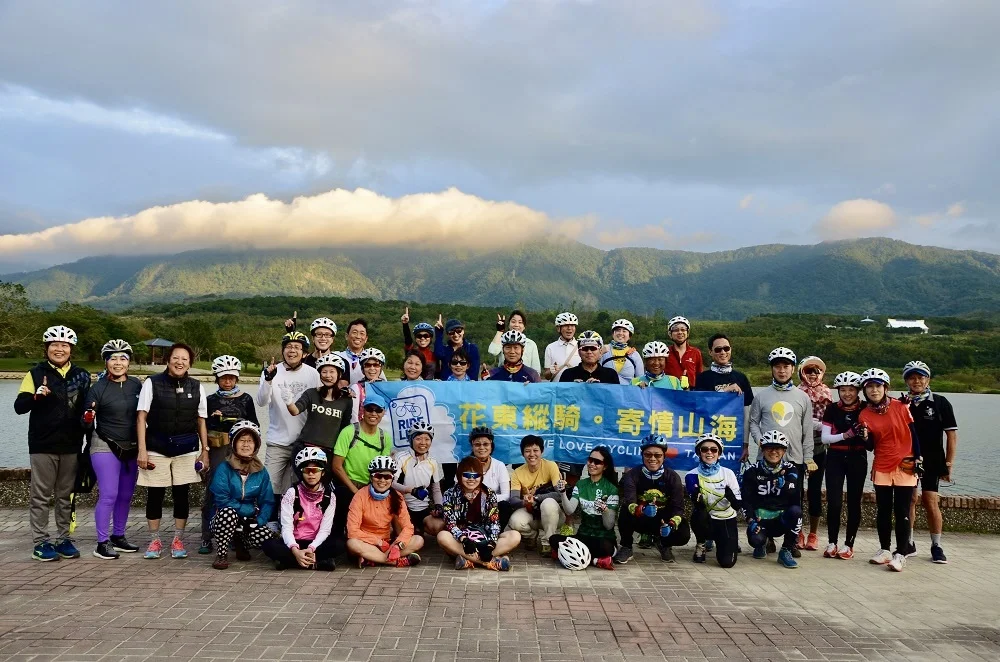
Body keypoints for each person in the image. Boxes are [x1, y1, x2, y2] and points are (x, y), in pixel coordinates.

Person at [14, 325, 90, 562]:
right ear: (47, 348)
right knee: (40, 495)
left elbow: (87, 408)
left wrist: (88, 419)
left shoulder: (82, 375)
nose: (59, 349)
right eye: (54, 345)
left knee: (65, 495)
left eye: (64, 345)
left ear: (71, 349)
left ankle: (63, 539)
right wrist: (36, 396)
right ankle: (41, 542)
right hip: (42, 444)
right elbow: (19, 407)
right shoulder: (35, 373)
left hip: (71, 444)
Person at [136, 342, 210, 560]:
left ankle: (178, 538)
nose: (180, 362)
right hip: (156, 447)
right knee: (155, 495)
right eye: (176, 358)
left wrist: (204, 451)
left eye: (185, 359)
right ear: (167, 360)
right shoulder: (152, 383)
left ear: (190, 364)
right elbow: (141, 417)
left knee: (181, 496)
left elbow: (201, 421)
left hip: (186, 448)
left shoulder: (197, 386)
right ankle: (155, 540)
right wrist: (142, 450)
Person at [746, 347, 813, 557]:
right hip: (766, 459)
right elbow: (753, 422)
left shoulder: (803, 397)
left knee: (793, 502)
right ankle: (766, 538)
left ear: (793, 369)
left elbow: (807, 430)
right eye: (777, 366)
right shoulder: (761, 396)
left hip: (794, 459)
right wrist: (761, 442)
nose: (782, 371)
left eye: (786, 366)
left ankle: (790, 542)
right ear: (772, 369)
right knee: (763, 498)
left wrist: (808, 457)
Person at [83, 339, 142, 560]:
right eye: (113, 359)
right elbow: (85, 421)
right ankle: (102, 542)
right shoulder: (97, 388)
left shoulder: (137, 385)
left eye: (123, 358)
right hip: (105, 443)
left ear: (129, 362)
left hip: (132, 447)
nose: (118, 363)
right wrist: (88, 417)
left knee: (126, 495)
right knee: (109, 494)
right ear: (106, 362)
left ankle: (118, 536)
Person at [859, 368, 921, 572]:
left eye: (878, 386)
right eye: (869, 387)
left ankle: (901, 553)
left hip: (905, 464)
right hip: (882, 465)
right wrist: (865, 437)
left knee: (902, 510)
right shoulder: (864, 414)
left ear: (885, 388)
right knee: (883, 511)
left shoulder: (901, 406)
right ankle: (885, 550)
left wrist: (918, 458)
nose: (874, 390)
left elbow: (914, 433)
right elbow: (870, 447)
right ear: (864, 390)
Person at [257, 332, 322, 516]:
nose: (292, 350)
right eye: (288, 347)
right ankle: (268, 522)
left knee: (299, 486)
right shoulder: (271, 371)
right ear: (283, 350)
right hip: (277, 440)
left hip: (303, 442)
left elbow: (321, 401)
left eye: (297, 347)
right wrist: (268, 380)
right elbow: (261, 401)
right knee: (270, 485)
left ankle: (296, 523)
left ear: (304, 353)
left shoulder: (312, 374)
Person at [200, 354, 259, 554]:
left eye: (231, 377)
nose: (227, 381)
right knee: (213, 489)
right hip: (217, 448)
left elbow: (255, 426)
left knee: (239, 491)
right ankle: (207, 537)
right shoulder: (210, 400)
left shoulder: (246, 398)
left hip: (239, 450)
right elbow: (201, 426)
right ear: (217, 378)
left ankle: (235, 535)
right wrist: (214, 420)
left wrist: (237, 423)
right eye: (224, 377)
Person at [902, 360, 957, 564]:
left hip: (933, 459)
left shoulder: (940, 402)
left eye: (921, 377)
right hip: (907, 458)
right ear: (906, 380)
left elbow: (951, 435)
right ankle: (909, 542)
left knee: (930, 500)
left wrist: (948, 464)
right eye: (912, 377)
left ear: (928, 379)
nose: (916, 381)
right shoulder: (902, 402)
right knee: (910, 500)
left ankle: (937, 545)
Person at [263, 447, 345, 570]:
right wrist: (295, 550)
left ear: (322, 472)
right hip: (294, 541)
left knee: (340, 544)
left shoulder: (329, 496)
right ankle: (315, 563)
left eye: (315, 470)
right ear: (301, 472)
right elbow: (286, 528)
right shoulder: (291, 493)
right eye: (307, 470)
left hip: (316, 543)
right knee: (269, 545)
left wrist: (311, 548)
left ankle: (290, 562)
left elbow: (325, 530)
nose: (311, 474)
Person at [207, 420, 275, 569]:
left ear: (256, 445)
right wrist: (247, 510)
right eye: (242, 440)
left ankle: (241, 544)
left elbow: (268, 501)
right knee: (228, 514)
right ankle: (222, 553)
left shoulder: (261, 472)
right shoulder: (224, 468)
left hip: (248, 521)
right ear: (234, 443)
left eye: (250, 441)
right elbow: (222, 500)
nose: (246, 445)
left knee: (267, 536)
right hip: (224, 517)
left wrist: (260, 519)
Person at [614, 434, 690, 564]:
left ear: (664, 457)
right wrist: (642, 509)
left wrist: (671, 525)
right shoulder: (632, 475)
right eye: (648, 455)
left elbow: (679, 509)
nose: (652, 458)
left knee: (683, 533)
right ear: (642, 455)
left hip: (662, 521)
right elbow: (630, 502)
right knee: (625, 510)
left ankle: (664, 543)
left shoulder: (673, 477)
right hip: (641, 518)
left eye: (657, 455)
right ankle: (626, 546)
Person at [437, 456, 521, 571]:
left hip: (484, 539)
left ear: (481, 477)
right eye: (467, 475)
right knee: (442, 536)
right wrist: (463, 539)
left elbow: (494, 522)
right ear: (459, 475)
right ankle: (490, 562)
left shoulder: (489, 493)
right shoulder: (449, 493)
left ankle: (468, 560)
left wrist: (491, 544)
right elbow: (449, 521)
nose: (471, 479)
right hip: (461, 541)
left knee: (515, 536)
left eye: (476, 475)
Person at [820, 371, 867, 560]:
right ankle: (832, 542)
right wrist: (845, 435)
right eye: (843, 390)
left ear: (858, 391)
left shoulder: (865, 408)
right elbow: (825, 438)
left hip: (857, 457)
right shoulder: (831, 409)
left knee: (854, 502)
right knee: (835, 501)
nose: (847, 394)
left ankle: (849, 544)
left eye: (852, 390)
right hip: (835, 457)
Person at [549, 446, 620, 570]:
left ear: (605, 466)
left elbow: (609, 525)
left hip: (603, 539)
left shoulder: (611, 488)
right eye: (590, 460)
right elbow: (570, 510)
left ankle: (571, 556)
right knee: (554, 539)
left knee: (606, 548)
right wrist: (563, 493)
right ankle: (595, 560)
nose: (592, 464)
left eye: (597, 462)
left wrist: (605, 510)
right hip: (583, 536)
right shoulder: (581, 484)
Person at [331, 391, 392, 534]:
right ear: (362, 410)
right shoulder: (349, 432)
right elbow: (337, 466)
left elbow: (383, 470)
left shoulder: (385, 438)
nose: (373, 413)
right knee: (341, 507)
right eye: (369, 409)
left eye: (378, 410)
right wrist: (355, 491)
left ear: (383, 413)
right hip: (348, 484)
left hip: (372, 486)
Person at [346, 456, 424, 567]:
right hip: (366, 542)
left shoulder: (397, 497)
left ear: (392, 479)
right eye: (378, 476)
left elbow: (408, 527)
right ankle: (395, 561)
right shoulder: (360, 496)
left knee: (418, 540)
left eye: (387, 477)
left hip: (388, 544)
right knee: (352, 543)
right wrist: (378, 542)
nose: (382, 480)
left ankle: (373, 559)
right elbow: (352, 531)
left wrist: (398, 545)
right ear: (371, 477)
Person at [741, 430, 803, 569]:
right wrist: (750, 520)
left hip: (781, 519)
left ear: (784, 451)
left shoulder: (790, 469)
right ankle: (762, 544)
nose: (774, 451)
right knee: (756, 540)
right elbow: (746, 500)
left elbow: (793, 489)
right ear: (762, 449)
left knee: (796, 512)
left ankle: (786, 550)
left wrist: (785, 485)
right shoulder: (752, 471)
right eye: (769, 447)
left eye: (778, 448)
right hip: (760, 519)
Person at [283, 353, 352, 465]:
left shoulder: (346, 399)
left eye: (332, 372)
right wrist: (288, 402)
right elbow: (295, 411)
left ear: (339, 374)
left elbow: (345, 428)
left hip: (329, 452)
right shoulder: (311, 393)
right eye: (324, 372)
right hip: (305, 448)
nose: (328, 375)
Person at [686, 434, 742, 568]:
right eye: (704, 449)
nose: (709, 453)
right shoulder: (691, 475)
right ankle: (702, 543)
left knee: (727, 563)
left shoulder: (728, 473)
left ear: (719, 453)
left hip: (726, 519)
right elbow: (696, 503)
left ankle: (723, 541)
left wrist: (732, 498)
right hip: (707, 519)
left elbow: (737, 506)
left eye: (714, 450)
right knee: (699, 513)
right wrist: (696, 499)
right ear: (699, 453)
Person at [507, 435, 564, 555]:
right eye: (527, 451)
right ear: (523, 454)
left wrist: (537, 498)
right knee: (515, 522)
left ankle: (548, 543)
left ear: (542, 452)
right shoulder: (517, 472)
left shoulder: (551, 466)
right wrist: (525, 501)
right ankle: (531, 536)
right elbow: (513, 499)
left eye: (535, 450)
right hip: (530, 511)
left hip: (553, 515)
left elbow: (559, 495)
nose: (531, 454)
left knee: (548, 503)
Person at [798, 355, 832, 551]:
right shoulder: (796, 392)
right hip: (798, 445)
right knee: (796, 491)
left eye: (816, 371)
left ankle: (813, 533)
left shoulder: (827, 392)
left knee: (814, 490)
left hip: (819, 447)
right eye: (808, 370)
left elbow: (831, 421)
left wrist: (818, 425)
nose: (813, 374)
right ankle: (798, 531)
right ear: (801, 372)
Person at [694, 334, 754, 443]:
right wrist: (724, 391)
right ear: (710, 352)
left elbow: (746, 416)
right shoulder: (702, 378)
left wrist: (745, 444)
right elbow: (700, 407)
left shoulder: (741, 377)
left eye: (726, 348)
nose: (723, 352)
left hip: (733, 438)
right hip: (708, 438)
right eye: (718, 350)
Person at [392, 421, 445, 536]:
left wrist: (439, 506)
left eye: (427, 439)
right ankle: (410, 531)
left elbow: (436, 489)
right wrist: (411, 490)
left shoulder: (434, 462)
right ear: (411, 439)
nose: (423, 443)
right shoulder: (401, 457)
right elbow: (392, 483)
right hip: (403, 507)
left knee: (438, 526)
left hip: (423, 508)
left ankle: (419, 528)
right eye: (418, 438)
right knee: (404, 536)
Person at [469, 427, 513, 530]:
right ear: (472, 446)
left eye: (485, 444)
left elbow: (506, 495)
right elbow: (458, 492)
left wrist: (486, 499)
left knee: (505, 506)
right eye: (477, 444)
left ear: (491, 445)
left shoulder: (499, 465)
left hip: (493, 506)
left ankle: (495, 535)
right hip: (471, 506)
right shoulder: (465, 465)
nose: (482, 448)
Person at [348, 347, 388, 422]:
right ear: (363, 369)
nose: (372, 368)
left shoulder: (387, 387)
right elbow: (354, 417)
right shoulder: (356, 388)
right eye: (367, 365)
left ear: (381, 368)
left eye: (376, 365)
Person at [434, 317, 480, 381]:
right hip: (447, 386)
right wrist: (439, 333)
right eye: (451, 332)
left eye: (458, 331)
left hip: (466, 386)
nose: (455, 335)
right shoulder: (445, 349)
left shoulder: (472, 348)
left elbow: (474, 371)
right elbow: (438, 354)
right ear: (448, 335)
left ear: (463, 331)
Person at [599, 319, 643, 384]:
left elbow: (640, 379)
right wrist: (600, 353)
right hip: (606, 392)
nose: (620, 333)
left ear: (629, 336)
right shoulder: (604, 350)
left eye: (624, 331)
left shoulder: (634, 354)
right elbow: (594, 371)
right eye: (618, 330)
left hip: (627, 393)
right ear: (613, 334)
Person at [664, 316, 701, 389]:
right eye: (676, 330)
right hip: (669, 393)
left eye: (683, 329)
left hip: (691, 394)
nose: (680, 332)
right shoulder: (665, 352)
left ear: (688, 333)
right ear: (670, 333)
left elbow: (699, 376)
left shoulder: (695, 352)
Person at [400, 307, 436, 380]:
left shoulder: (435, 355)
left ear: (431, 338)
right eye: (419, 336)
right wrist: (405, 324)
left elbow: (438, 373)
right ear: (415, 339)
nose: (422, 338)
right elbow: (408, 340)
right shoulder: (411, 351)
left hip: (429, 388)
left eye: (426, 336)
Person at [543, 312, 579, 381]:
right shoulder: (550, 347)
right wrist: (550, 371)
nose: (569, 328)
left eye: (572, 325)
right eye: (566, 325)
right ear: (558, 328)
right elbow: (546, 376)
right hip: (557, 389)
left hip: (576, 389)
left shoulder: (581, 346)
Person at [340, 318, 374, 384]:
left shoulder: (373, 360)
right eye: (354, 332)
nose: (358, 336)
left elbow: (383, 384)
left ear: (366, 338)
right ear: (346, 336)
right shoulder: (336, 357)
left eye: (362, 333)